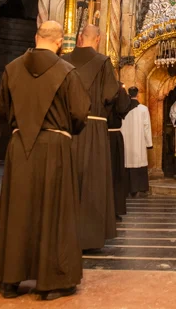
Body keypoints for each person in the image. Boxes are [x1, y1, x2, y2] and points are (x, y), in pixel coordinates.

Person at [0, 21, 90, 300]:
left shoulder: (11, 68)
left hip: (19, 144)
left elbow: (2, 108)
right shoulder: (67, 72)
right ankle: (53, 283)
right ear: (60, 42)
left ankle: (10, 281)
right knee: (54, 211)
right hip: (55, 146)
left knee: (18, 209)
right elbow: (80, 112)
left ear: (36, 37)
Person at [61, 24, 130, 250]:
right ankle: (89, 237)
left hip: (69, 128)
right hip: (95, 129)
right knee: (92, 182)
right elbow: (111, 95)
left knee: (68, 181)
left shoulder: (65, 60)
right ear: (98, 39)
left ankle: (65, 234)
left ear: (80, 38)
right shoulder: (102, 62)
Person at [120, 87, 153, 197]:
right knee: (138, 162)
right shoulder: (143, 109)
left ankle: (127, 188)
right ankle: (140, 187)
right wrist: (149, 143)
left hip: (125, 140)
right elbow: (147, 127)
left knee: (126, 162)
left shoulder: (122, 109)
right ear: (138, 94)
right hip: (138, 142)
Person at [107, 84, 131, 220]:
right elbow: (123, 108)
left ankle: (113, 209)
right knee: (115, 173)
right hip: (111, 136)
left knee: (114, 173)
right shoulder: (116, 89)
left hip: (107, 135)